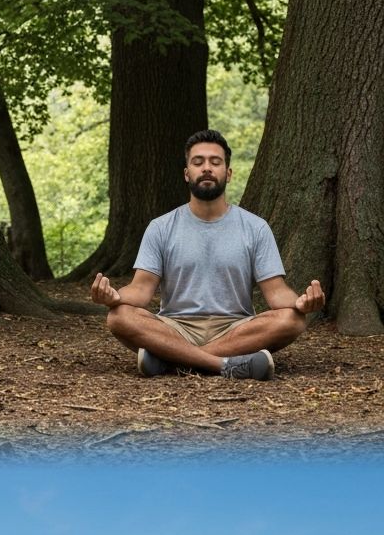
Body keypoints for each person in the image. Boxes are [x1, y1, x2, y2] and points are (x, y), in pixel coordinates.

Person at [91, 130, 325, 380]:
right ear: (186, 173)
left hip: (235, 328)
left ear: (229, 173)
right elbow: (140, 290)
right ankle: (223, 365)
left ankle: (171, 361)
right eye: (198, 162)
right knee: (119, 317)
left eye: (216, 162)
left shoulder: (255, 227)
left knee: (293, 320)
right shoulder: (161, 227)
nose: (207, 168)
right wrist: (114, 296)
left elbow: (277, 292)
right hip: (175, 327)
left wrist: (300, 303)